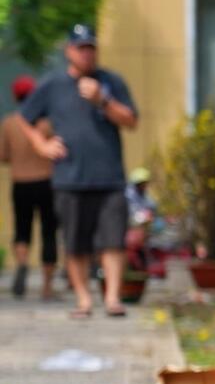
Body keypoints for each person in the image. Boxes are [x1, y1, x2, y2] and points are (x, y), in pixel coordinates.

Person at [18, 26, 138, 318]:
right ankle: (83, 299)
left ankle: (111, 298)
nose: (87, 53)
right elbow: (24, 118)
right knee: (75, 243)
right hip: (70, 178)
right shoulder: (52, 85)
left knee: (113, 241)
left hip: (109, 177)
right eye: (81, 47)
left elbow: (131, 120)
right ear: (69, 51)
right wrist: (41, 145)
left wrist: (103, 100)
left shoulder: (111, 82)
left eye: (91, 47)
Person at [1, 74, 59, 299]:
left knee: (22, 229)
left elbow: (3, 155)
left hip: (21, 183)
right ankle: (47, 286)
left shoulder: (9, 122)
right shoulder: (47, 122)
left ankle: (23, 263)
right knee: (48, 232)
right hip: (47, 182)